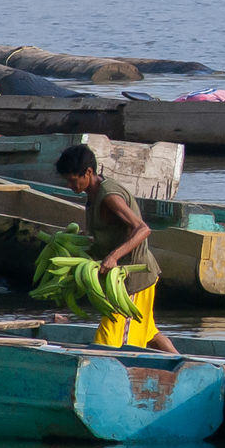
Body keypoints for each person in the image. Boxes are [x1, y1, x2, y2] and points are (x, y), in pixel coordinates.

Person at [55, 144, 178, 353]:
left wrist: (113, 256)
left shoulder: (108, 196)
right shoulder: (92, 194)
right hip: (134, 276)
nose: (69, 185)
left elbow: (142, 229)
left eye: (72, 180)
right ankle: (185, 364)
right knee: (148, 333)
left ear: (88, 172)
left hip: (132, 277)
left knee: (109, 336)